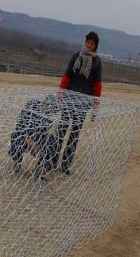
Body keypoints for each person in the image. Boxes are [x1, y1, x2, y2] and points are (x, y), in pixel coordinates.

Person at [58, 31, 102, 175]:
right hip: (70, 97)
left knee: (74, 134)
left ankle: (65, 164)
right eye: (88, 42)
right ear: (85, 42)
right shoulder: (76, 56)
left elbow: (96, 84)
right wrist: (61, 91)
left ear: (96, 46)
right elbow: (67, 75)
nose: (89, 45)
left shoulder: (97, 62)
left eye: (92, 43)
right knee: (61, 130)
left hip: (83, 101)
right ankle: (51, 161)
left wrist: (95, 103)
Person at [9, 94, 60, 178]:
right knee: (16, 137)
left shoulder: (49, 119)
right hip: (23, 133)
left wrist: (37, 147)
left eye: (51, 112)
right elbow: (21, 124)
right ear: (45, 104)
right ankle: (17, 161)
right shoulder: (32, 106)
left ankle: (40, 168)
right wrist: (28, 139)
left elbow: (44, 133)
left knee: (51, 141)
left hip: (37, 137)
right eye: (48, 109)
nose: (48, 113)